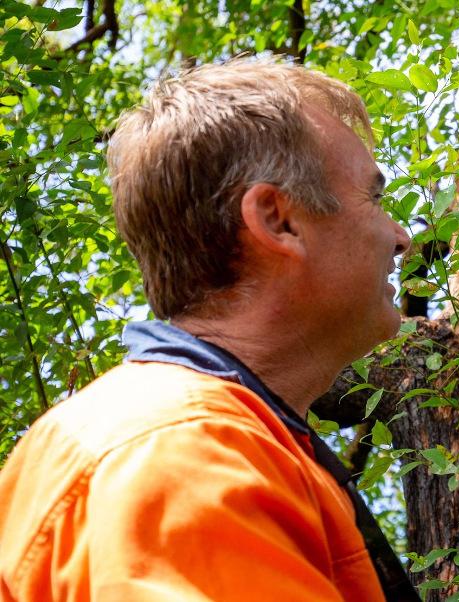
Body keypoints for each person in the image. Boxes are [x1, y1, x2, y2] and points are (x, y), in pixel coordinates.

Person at [0, 58, 416, 601]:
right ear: (278, 220)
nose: (401, 236)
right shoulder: (184, 449)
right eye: (375, 198)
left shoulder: (203, 438)